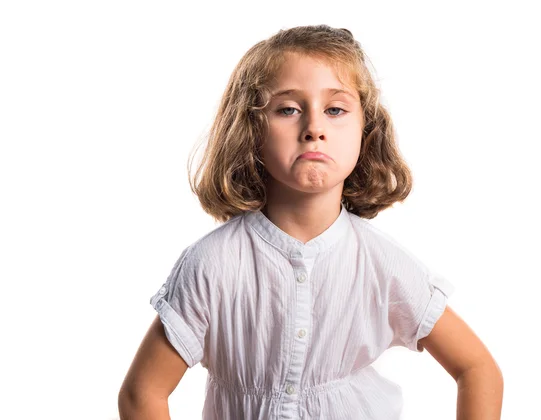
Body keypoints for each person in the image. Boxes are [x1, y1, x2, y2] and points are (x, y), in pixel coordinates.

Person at [118, 24, 503, 420]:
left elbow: (477, 370)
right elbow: (142, 394)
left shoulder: (381, 263)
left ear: (365, 132)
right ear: (252, 131)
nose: (314, 129)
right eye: (288, 109)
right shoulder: (213, 264)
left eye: (335, 110)